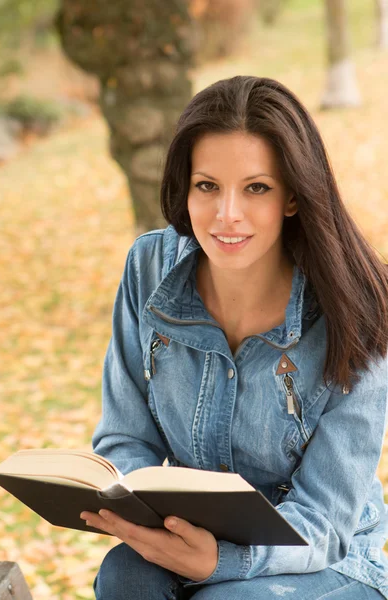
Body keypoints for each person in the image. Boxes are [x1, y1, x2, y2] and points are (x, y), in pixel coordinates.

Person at [80, 76, 388, 599]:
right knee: (124, 575)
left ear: (292, 197)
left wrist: (223, 561)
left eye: (256, 188)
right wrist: (145, 520)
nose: (227, 215)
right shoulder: (148, 268)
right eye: (207, 186)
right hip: (187, 536)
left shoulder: (359, 308)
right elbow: (125, 438)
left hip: (326, 559)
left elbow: (327, 522)